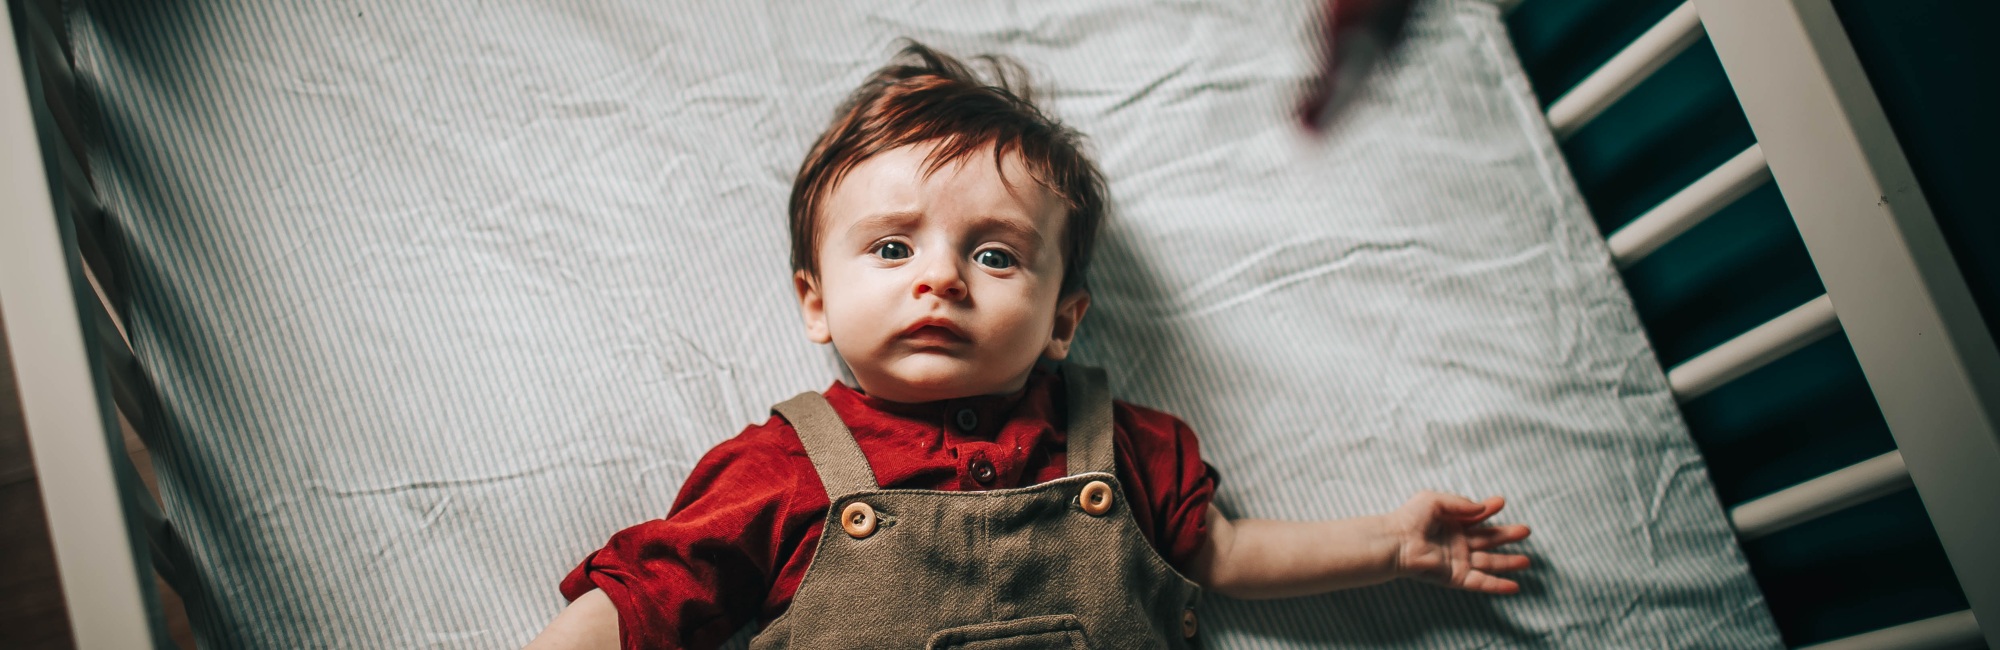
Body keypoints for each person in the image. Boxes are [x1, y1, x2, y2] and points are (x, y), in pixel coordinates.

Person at [527, 42, 1530, 650]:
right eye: (889, 245)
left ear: (1061, 317)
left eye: (995, 253)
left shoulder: (1118, 441)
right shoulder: (785, 467)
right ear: (816, 301)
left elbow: (1223, 549)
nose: (940, 275)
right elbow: (648, 594)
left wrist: (1389, 542)